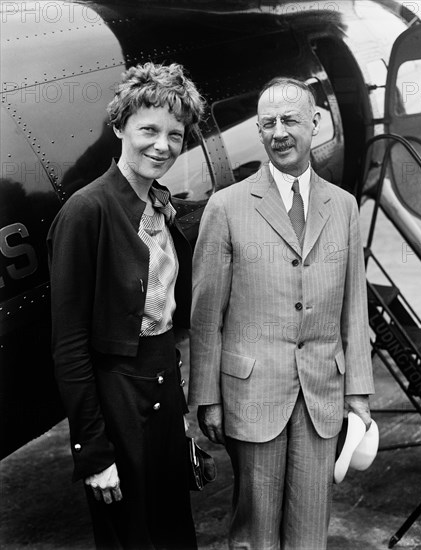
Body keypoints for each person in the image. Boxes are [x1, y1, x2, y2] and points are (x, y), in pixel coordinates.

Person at [189, 77, 375, 549]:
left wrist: (359, 391)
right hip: (252, 394)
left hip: (321, 395)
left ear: (314, 123)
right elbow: (206, 314)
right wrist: (205, 395)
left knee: (311, 529)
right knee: (254, 532)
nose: (279, 132)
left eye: (290, 120)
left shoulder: (345, 207)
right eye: (267, 123)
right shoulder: (225, 207)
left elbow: (355, 308)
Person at [47, 62, 205, 550]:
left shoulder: (159, 203)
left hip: (160, 390)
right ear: (119, 127)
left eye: (175, 135)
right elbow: (70, 346)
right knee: (131, 538)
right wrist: (92, 451)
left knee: (174, 531)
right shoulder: (86, 211)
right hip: (116, 398)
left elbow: (167, 322)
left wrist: (179, 412)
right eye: (148, 130)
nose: (162, 145)